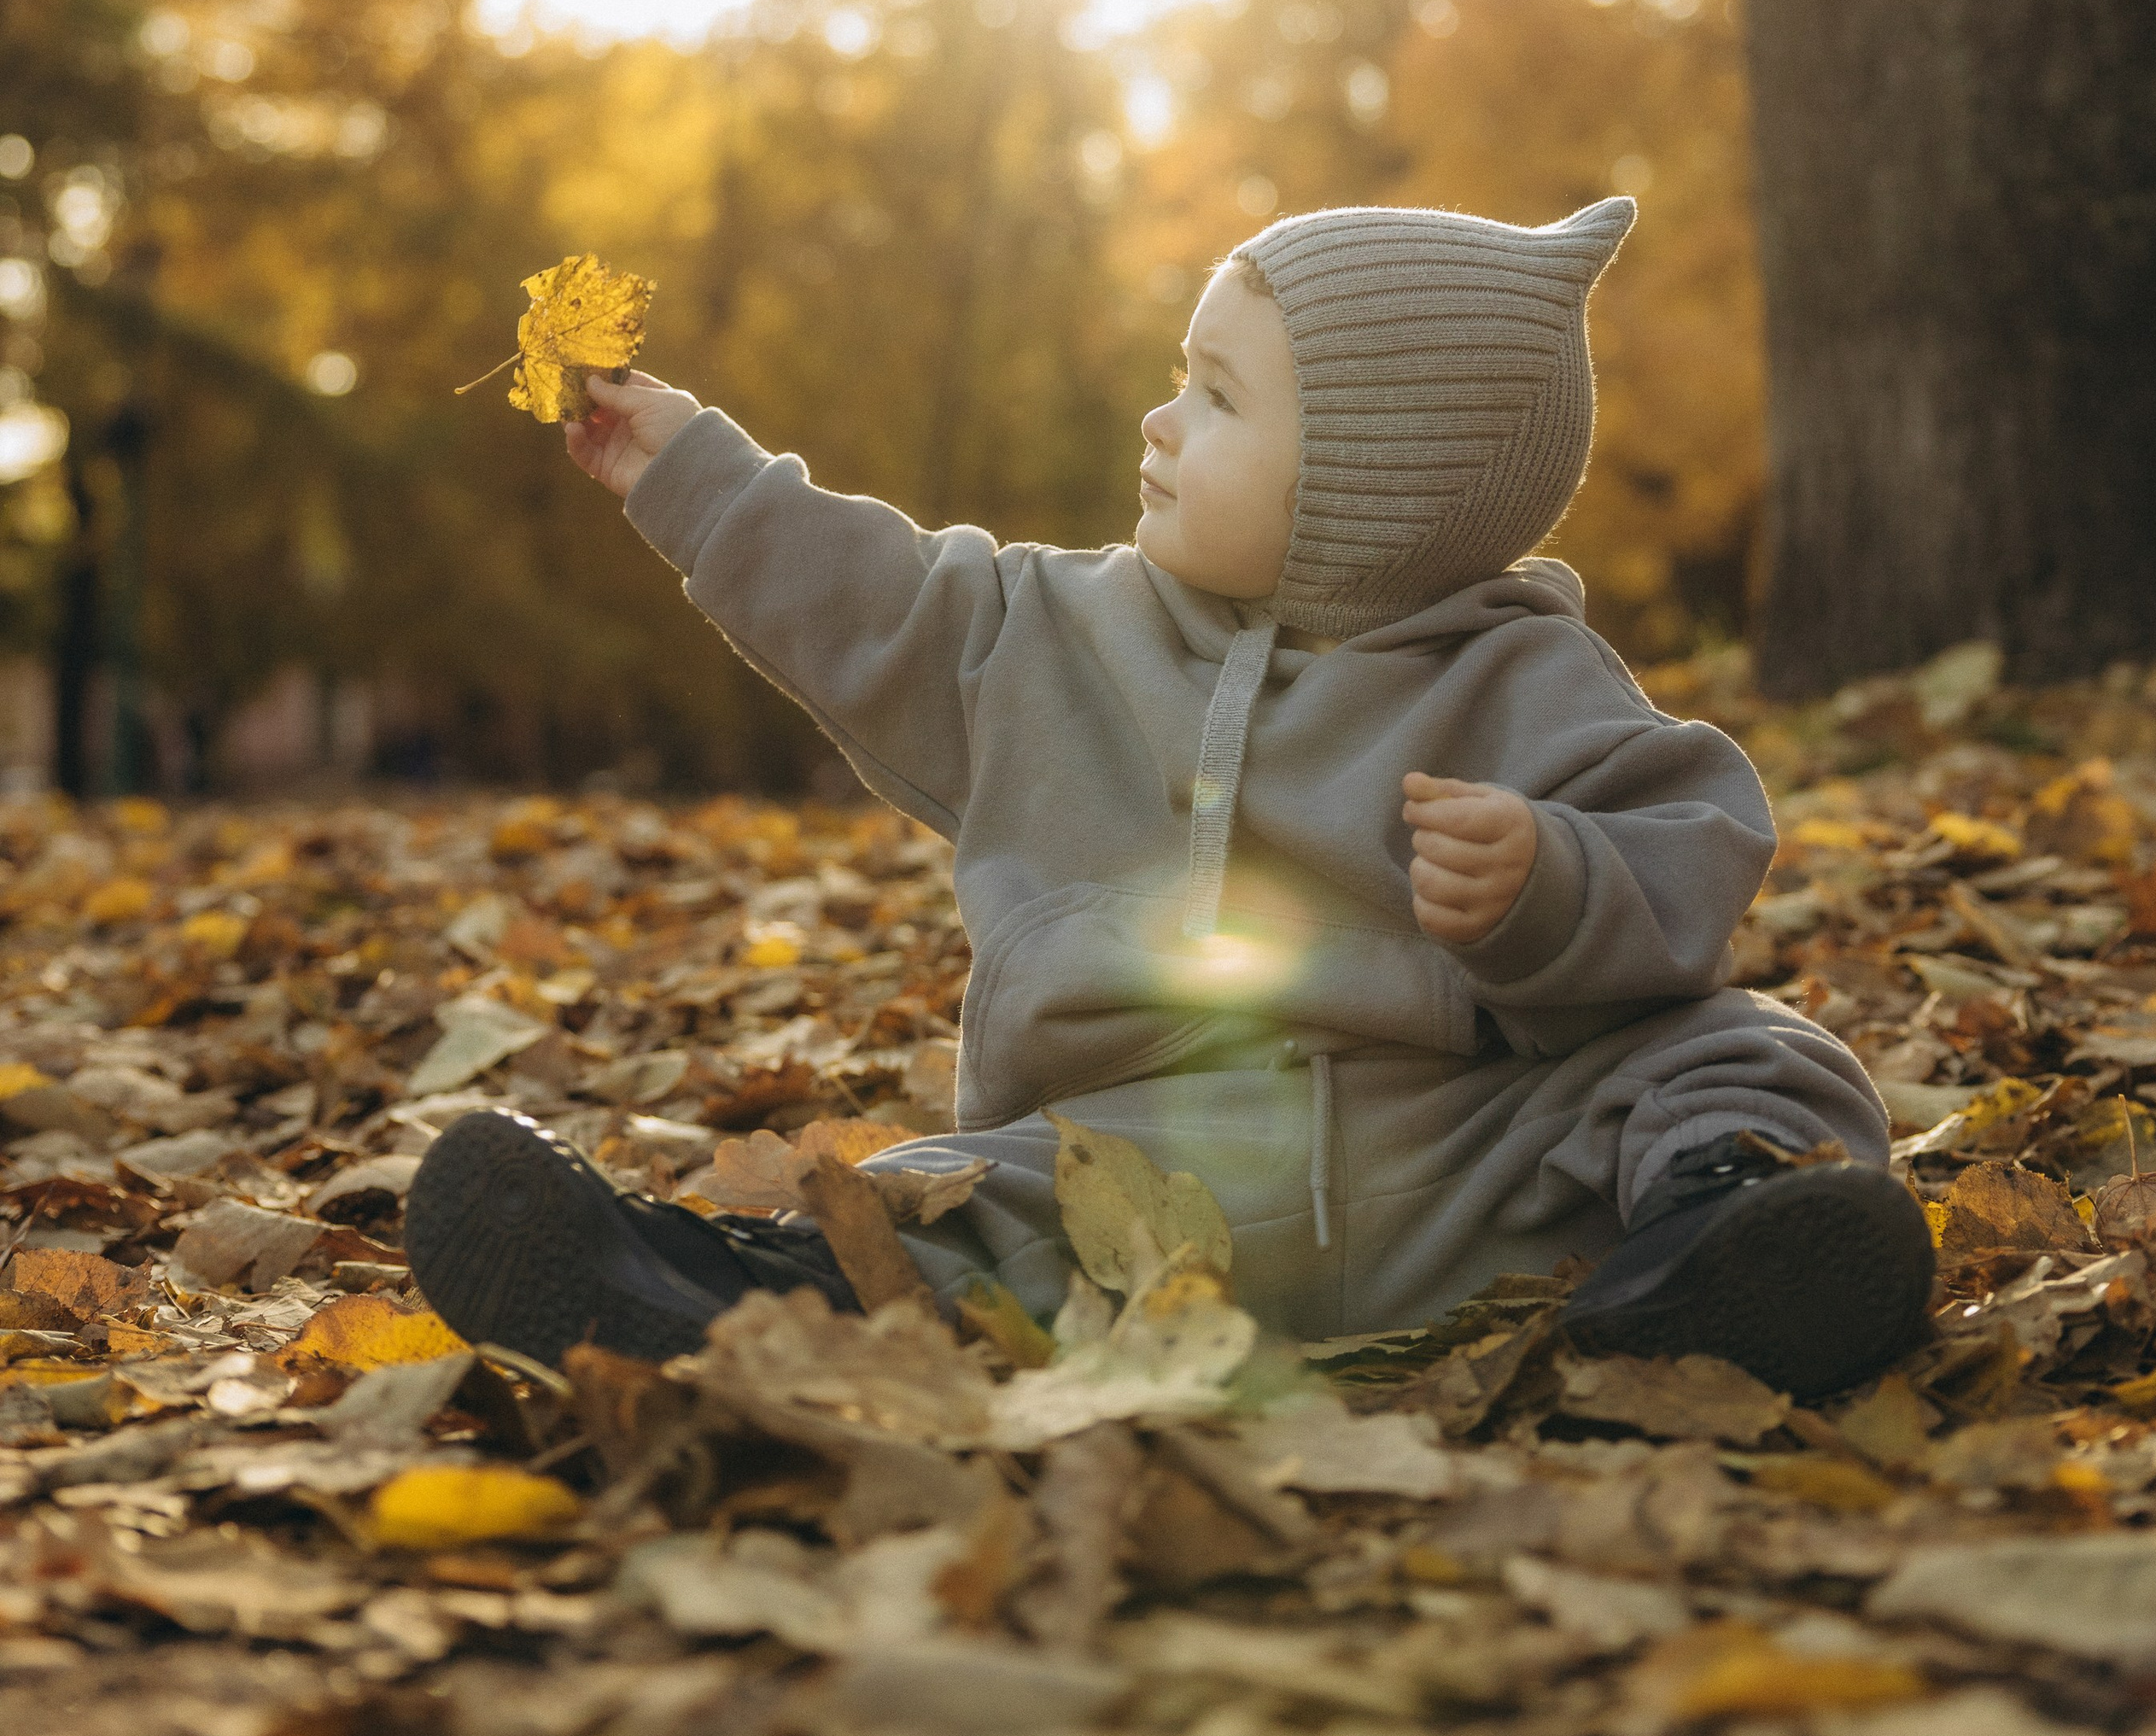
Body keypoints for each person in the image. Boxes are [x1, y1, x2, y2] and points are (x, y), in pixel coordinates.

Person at [406, 199, 1932, 1396]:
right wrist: (699, 477)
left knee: (1755, 1054)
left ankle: (1717, 1255)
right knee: (932, 1205)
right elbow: (874, 603)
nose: (1159, 422)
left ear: (1376, 481)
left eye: (1214, 396)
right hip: (1120, 1178)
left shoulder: (1530, 680)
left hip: (1471, 1168)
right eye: (1176, 381)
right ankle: (705, 1290)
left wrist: (1549, 885)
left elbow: (1691, 851)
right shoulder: (1049, 637)